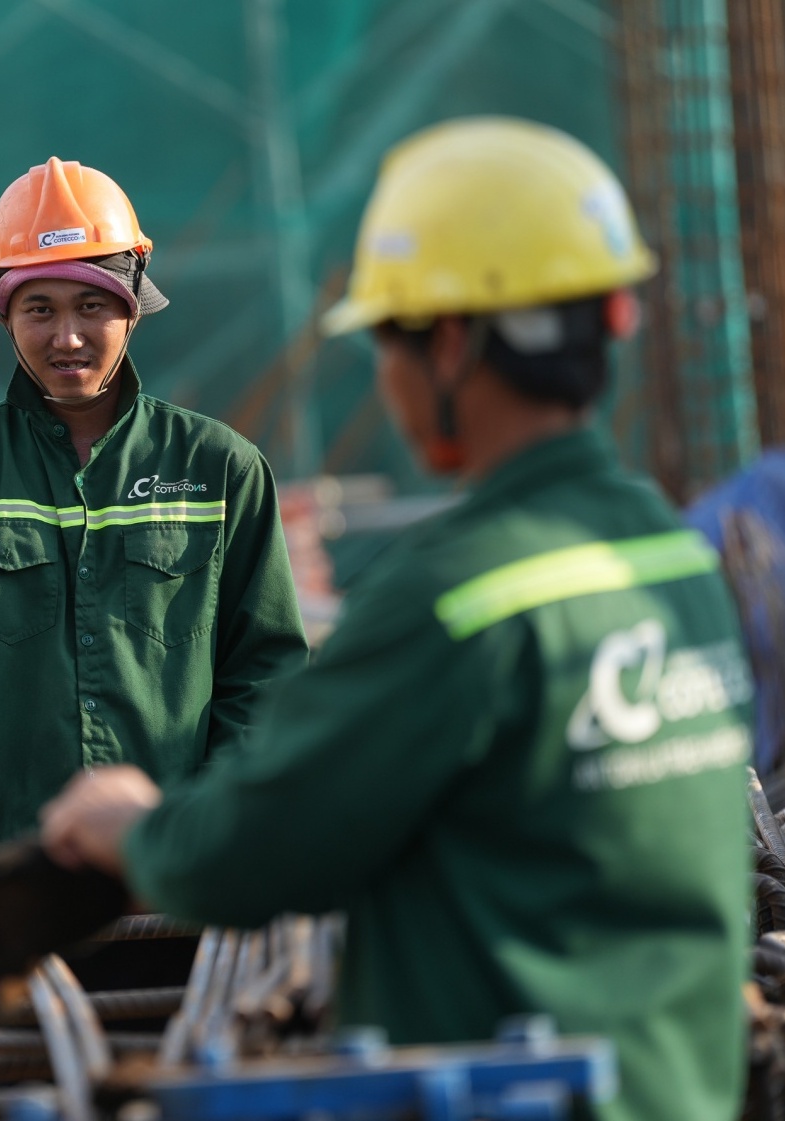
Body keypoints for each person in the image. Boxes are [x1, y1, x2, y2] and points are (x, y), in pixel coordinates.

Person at [37, 118, 753, 1121]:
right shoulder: (670, 556)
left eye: (384, 339)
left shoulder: (459, 598)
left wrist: (129, 827)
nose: (383, 374)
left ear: (448, 343)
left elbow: (247, 852)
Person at [0, 157, 309, 993]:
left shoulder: (218, 469)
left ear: (133, 303)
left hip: (179, 901)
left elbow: (264, 675)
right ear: (3, 313)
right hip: (13, 896)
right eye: (38, 308)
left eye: (91, 305)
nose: (66, 336)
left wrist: (202, 833)